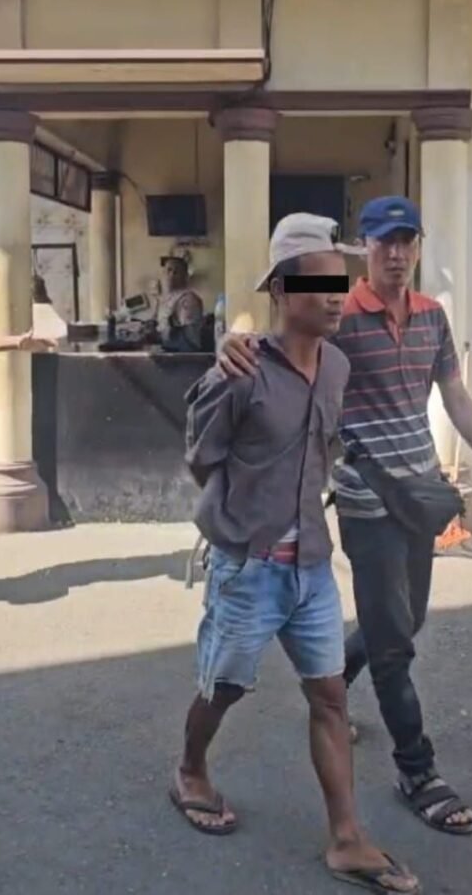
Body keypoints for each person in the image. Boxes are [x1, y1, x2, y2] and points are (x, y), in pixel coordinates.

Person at [218, 196, 472, 838]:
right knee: (394, 645)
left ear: (417, 248)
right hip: (366, 503)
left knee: (406, 620)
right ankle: (418, 770)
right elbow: (284, 339)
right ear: (365, 249)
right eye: (385, 242)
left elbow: (455, 396)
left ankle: (333, 677)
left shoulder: (433, 317)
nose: (397, 253)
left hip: (420, 498)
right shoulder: (342, 316)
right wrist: (234, 340)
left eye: (407, 241)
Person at [172, 213, 420, 895]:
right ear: (282, 291)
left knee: (330, 696)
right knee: (224, 687)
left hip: (312, 564)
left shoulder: (337, 366)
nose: (337, 298)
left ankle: (346, 838)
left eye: (341, 283)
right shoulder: (242, 370)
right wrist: (245, 511)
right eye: (321, 285)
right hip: (249, 567)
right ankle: (190, 768)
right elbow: (202, 458)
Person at [157, 256, 204, 352]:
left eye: (176, 272)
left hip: (185, 353)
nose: (171, 275)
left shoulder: (188, 299)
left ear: (185, 276)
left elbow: (183, 333)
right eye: (168, 270)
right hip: (170, 350)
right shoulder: (165, 299)